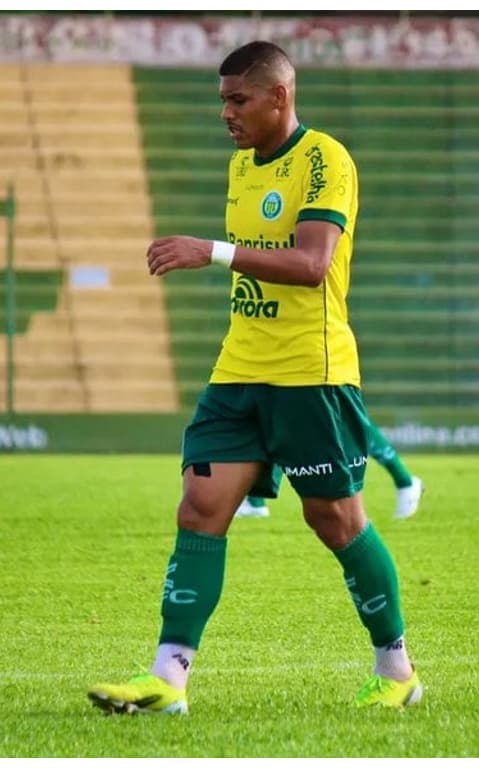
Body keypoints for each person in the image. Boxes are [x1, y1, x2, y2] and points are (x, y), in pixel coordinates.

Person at [87, 40, 422, 716]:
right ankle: (168, 677)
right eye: (222, 102)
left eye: (238, 100)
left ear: (279, 96)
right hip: (241, 368)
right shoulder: (242, 168)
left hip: (311, 371)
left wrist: (207, 250)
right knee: (201, 507)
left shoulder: (325, 159)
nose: (226, 114)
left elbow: (311, 264)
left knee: (334, 518)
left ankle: (397, 670)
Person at [235, 420, 423, 519]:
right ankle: (256, 502)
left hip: (325, 357)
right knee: (278, 411)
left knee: (346, 416)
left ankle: (405, 481)